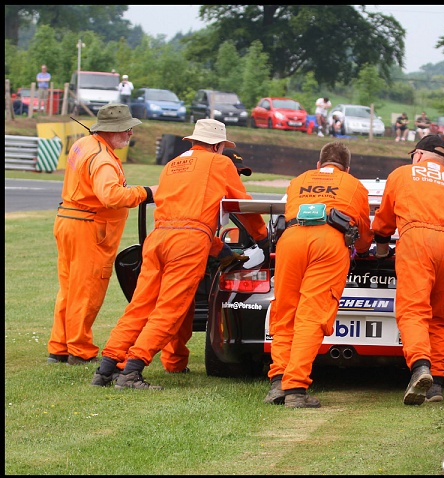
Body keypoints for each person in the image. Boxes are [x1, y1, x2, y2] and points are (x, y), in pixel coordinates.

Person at [91, 119, 268, 390]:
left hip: (158, 238)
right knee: (170, 310)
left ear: (194, 141)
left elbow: (185, 214)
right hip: (188, 243)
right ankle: (133, 370)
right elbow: (241, 203)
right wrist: (261, 237)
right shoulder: (221, 164)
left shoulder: (172, 165)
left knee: (140, 306)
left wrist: (221, 251)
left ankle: (107, 367)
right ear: (219, 145)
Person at [264, 142, 373, 408]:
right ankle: (296, 389)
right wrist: (362, 249)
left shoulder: (298, 181)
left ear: (318, 164)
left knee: (285, 310)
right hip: (328, 242)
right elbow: (363, 235)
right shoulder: (354, 185)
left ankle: (278, 380)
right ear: (347, 168)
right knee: (312, 315)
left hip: (290, 240)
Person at [48, 104, 157, 366]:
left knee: (69, 289)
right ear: (112, 130)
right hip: (90, 228)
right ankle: (80, 350)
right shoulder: (104, 159)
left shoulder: (84, 144)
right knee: (87, 291)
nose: (130, 134)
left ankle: (59, 347)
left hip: (69, 221)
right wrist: (148, 192)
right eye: (127, 129)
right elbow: (111, 196)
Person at [372, 135, 444, 405]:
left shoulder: (403, 174)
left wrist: (380, 246)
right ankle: (436, 383)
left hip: (417, 239)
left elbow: (384, 220)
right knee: (439, 315)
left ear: (417, 155)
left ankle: (420, 367)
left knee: (414, 309)